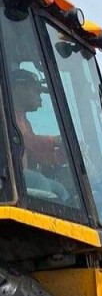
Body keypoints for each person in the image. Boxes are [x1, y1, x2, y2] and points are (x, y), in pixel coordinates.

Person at [9, 68, 71, 202]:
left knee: (60, 190)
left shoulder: (24, 121)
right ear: (19, 88)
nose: (40, 98)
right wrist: (56, 140)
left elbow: (35, 153)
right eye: (36, 91)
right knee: (40, 182)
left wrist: (62, 156)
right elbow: (26, 141)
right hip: (9, 178)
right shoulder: (7, 117)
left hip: (19, 176)